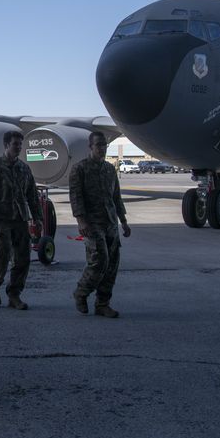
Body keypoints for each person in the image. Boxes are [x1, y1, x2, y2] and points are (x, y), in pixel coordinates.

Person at [68, 131, 130, 318]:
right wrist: (81, 221)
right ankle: (81, 292)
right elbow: (76, 197)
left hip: (110, 222)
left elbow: (116, 197)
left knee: (112, 264)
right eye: (98, 145)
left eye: (104, 145)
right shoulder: (80, 169)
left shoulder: (110, 169)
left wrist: (124, 221)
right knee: (99, 260)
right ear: (90, 147)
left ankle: (103, 303)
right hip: (92, 223)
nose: (102, 149)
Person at [0, 130, 39, 310]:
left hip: (20, 218)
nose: (18, 148)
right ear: (6, 145)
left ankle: (14, 294)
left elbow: (32, 195)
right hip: (2, 219)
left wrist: (38, 217)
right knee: (2, 256)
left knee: (23, 259)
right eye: (15, 144)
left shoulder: (24, 168)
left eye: (20, 145)